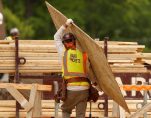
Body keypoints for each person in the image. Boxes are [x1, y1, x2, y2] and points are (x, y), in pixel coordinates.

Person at [54, 19, 90, 118]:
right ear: (74, 42)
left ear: (64, 43)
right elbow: (90, 72)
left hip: (71, 89)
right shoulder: (83, 54)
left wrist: (65, 25)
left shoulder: (63, 53)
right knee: (81, 115)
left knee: (66, 110)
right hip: (85, 89)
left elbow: (56, 37)